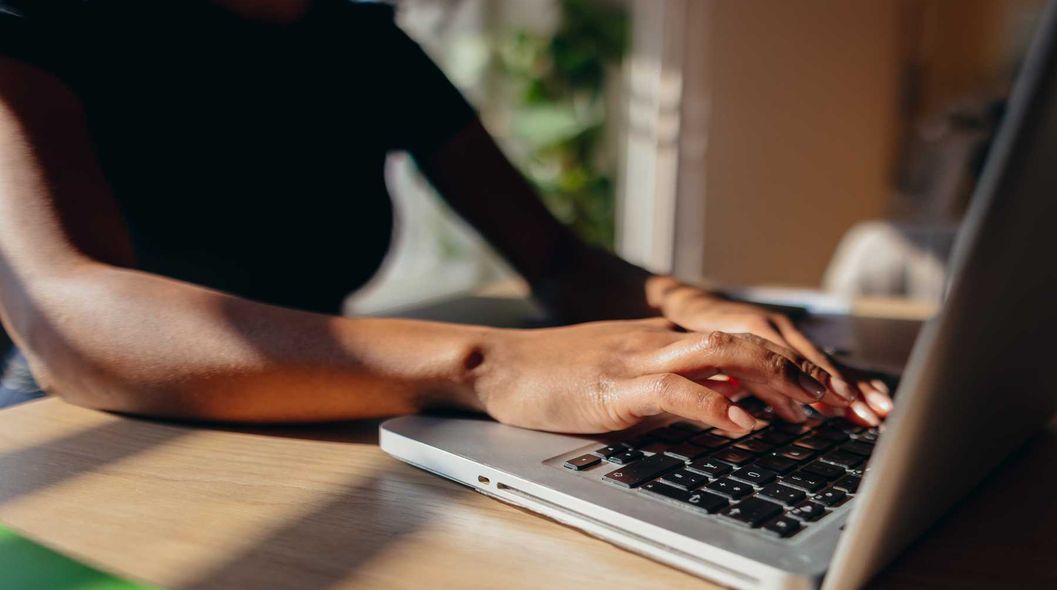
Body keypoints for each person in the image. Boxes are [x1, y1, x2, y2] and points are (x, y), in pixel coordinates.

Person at [0, 0, 891, 435]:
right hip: (75, 432)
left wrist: (685, 305)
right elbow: (68, 316)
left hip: (315, 413)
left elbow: (554, 257)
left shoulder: (357, 41)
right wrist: (486, 362)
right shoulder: (38, 29)